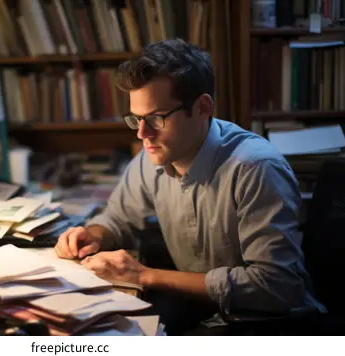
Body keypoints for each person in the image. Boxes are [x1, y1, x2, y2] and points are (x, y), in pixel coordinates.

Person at [54, 39, 324, 335]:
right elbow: (117, 219)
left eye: (156, 118)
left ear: (202, 107)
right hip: (203, 308)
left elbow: (275, 287)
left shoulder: (255, 168)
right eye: (136, 119)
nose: (143, 134)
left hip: (271, 323)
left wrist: (146, 275)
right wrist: (92, 235)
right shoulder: (153, 156)